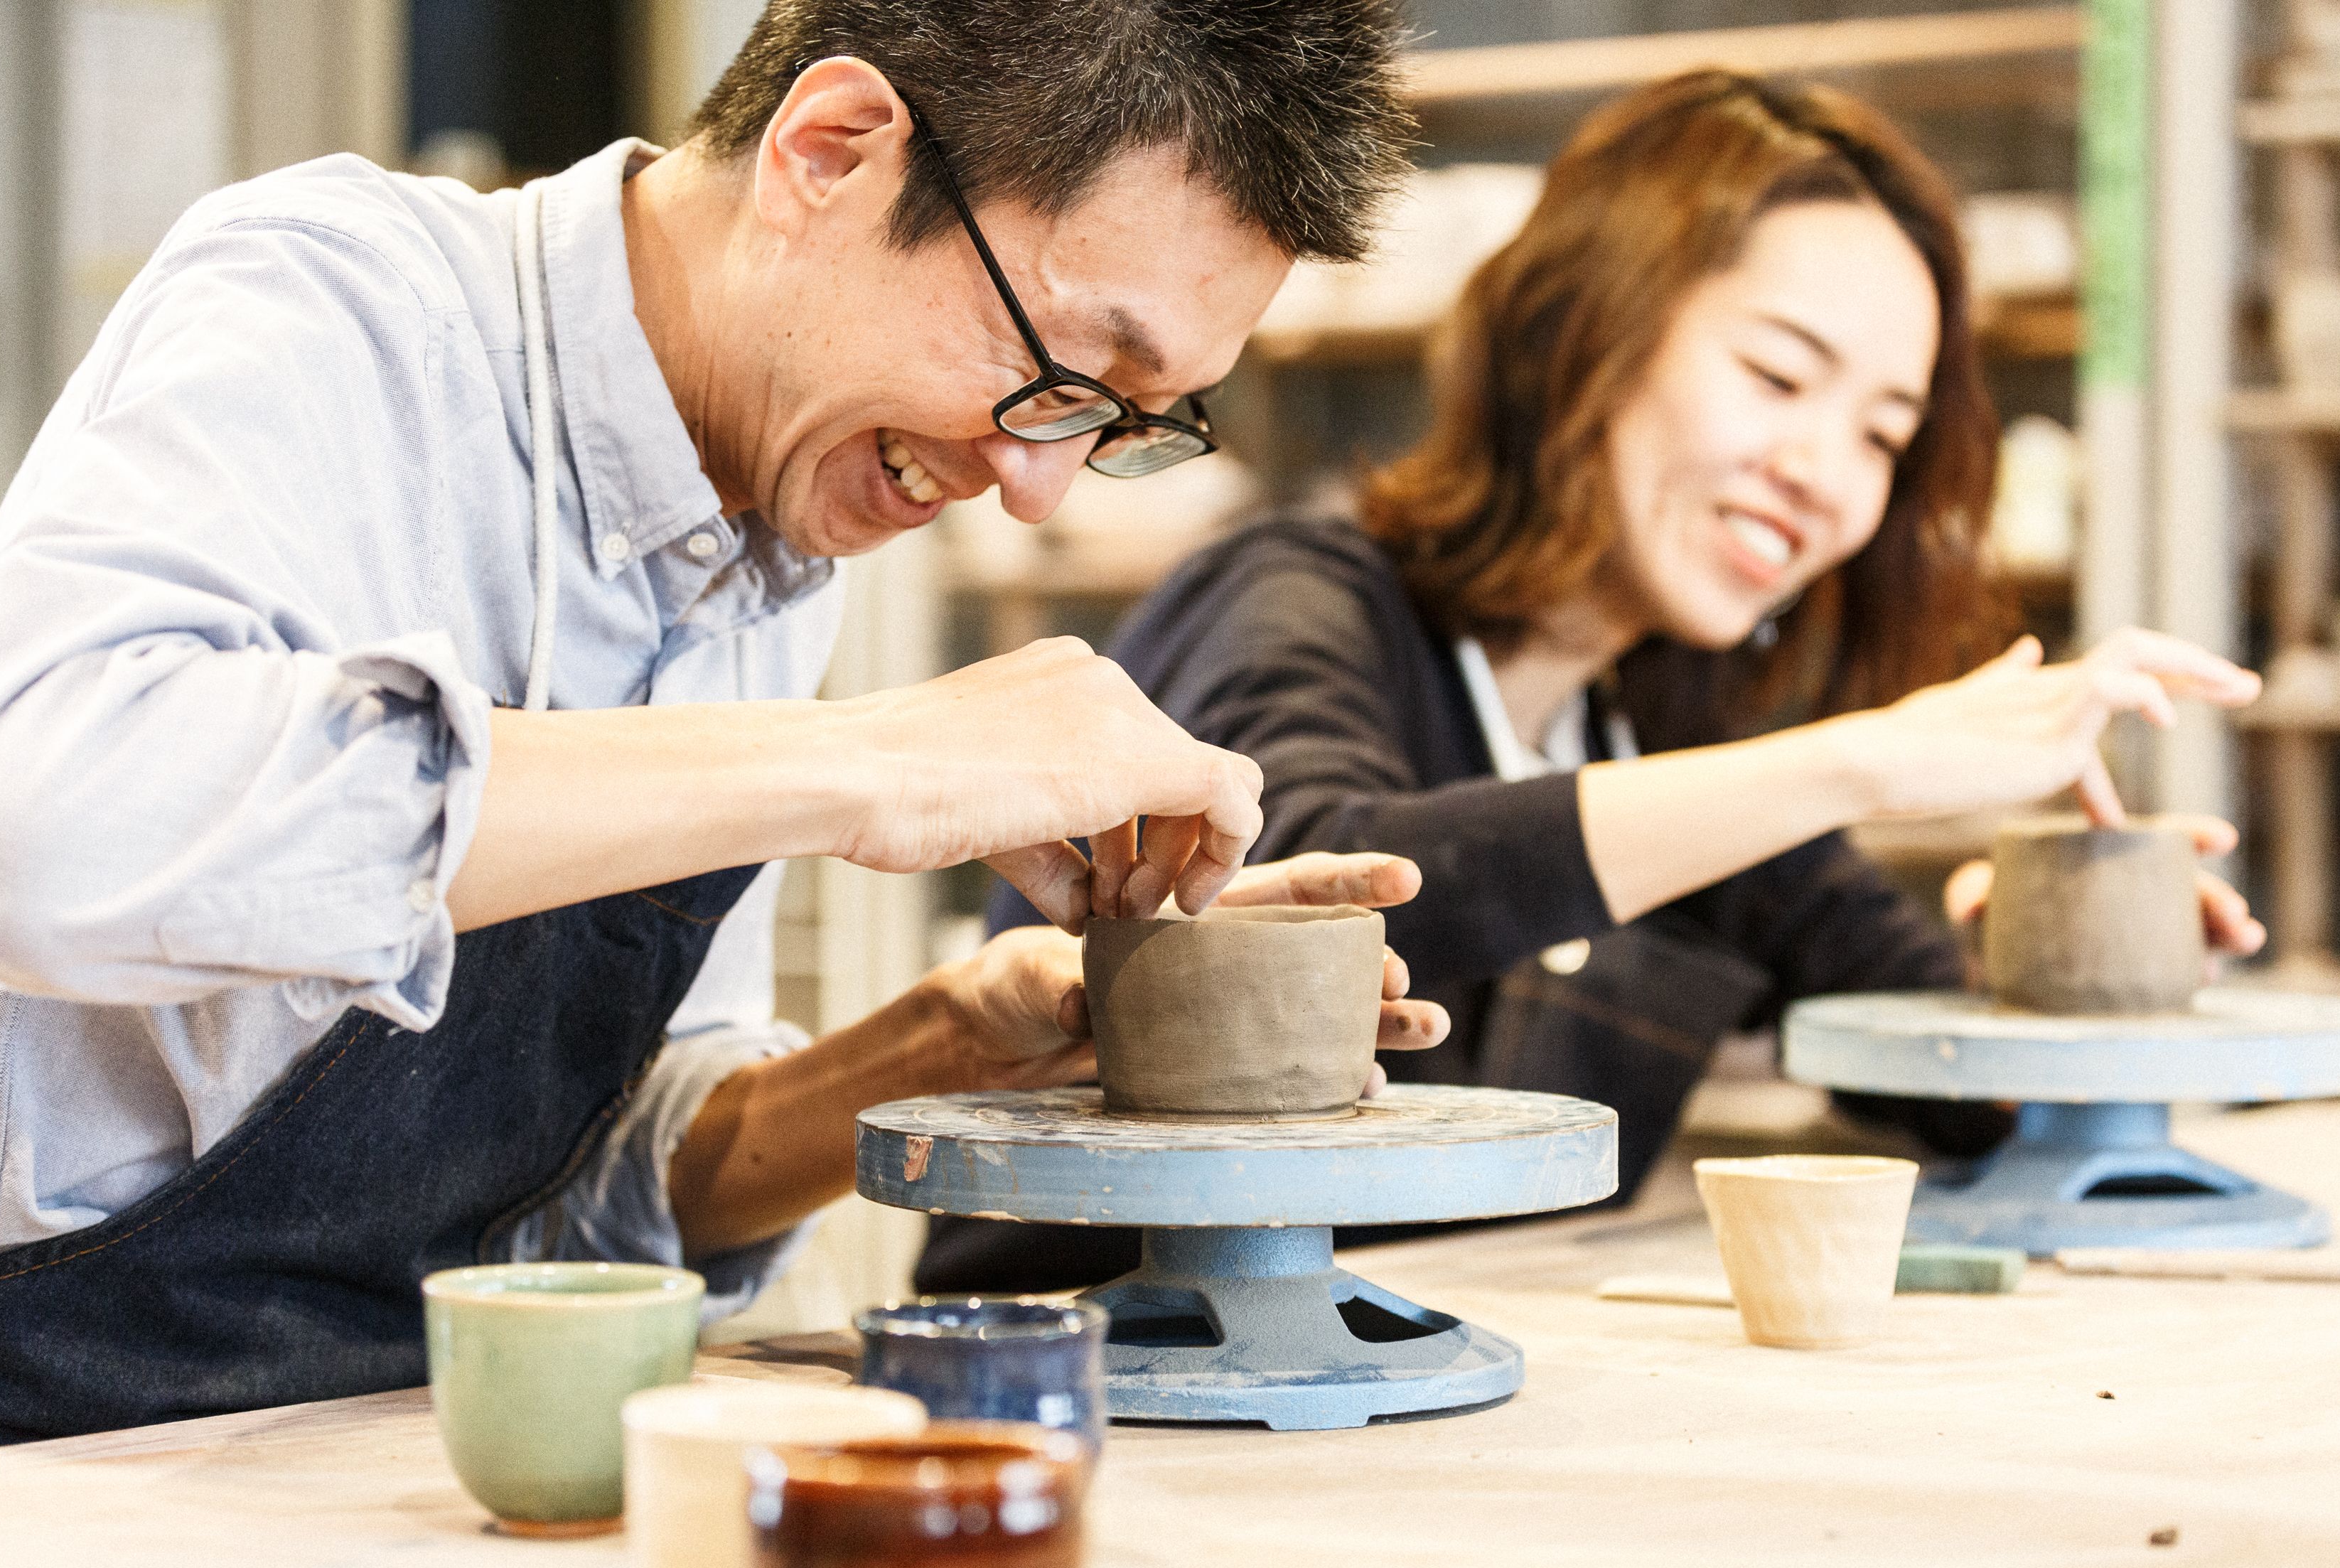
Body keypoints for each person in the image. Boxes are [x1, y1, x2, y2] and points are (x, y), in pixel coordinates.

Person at [0, 0, 1449, 1442]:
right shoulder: (341, 304)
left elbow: (588, 1185)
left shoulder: (781, 538)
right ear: (831, 150)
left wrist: (941, 1051)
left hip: (373, 1459)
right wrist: (871, 757)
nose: (1036, 488)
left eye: (1127, 426)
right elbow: (46, 816)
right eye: (1061, 375)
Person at [923, 71, 2266, 1294]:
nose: (1826, 474)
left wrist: (2033, 948)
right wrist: (1868, 759)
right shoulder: (1299, 593)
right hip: (1087, 1379)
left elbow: (1958, 1090)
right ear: (1585, 336)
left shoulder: (1653, 723)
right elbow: (1312, 882)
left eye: (1880, 434)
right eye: (1777, 375)